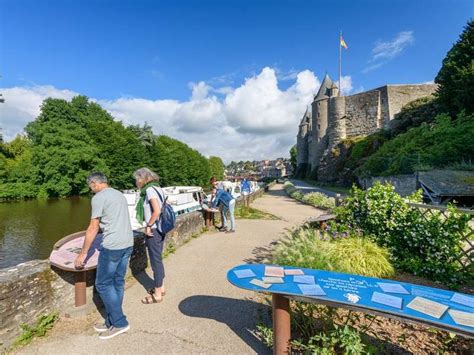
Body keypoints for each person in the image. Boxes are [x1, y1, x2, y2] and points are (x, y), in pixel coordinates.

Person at [74, 172, 133, 340]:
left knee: (103, 284)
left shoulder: (99, 197)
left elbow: (93, 227)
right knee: (117, 282)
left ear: (94, 183)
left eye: (90, 186)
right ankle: (111, 321)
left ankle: (120, 322)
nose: (90, 190)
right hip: (127, 242)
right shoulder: (119, 194)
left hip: (112, 246)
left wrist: (83, 253)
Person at [133, 167, 166, 304]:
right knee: (157, 259)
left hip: (153, 230)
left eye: (137, 179)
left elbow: (156, 211)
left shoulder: (150, 190)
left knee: (155, 261)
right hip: (161, 228)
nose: (136, 182)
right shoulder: (158, 188)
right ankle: (161, 287)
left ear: (142, 178)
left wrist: (148, 226)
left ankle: (157, 294)